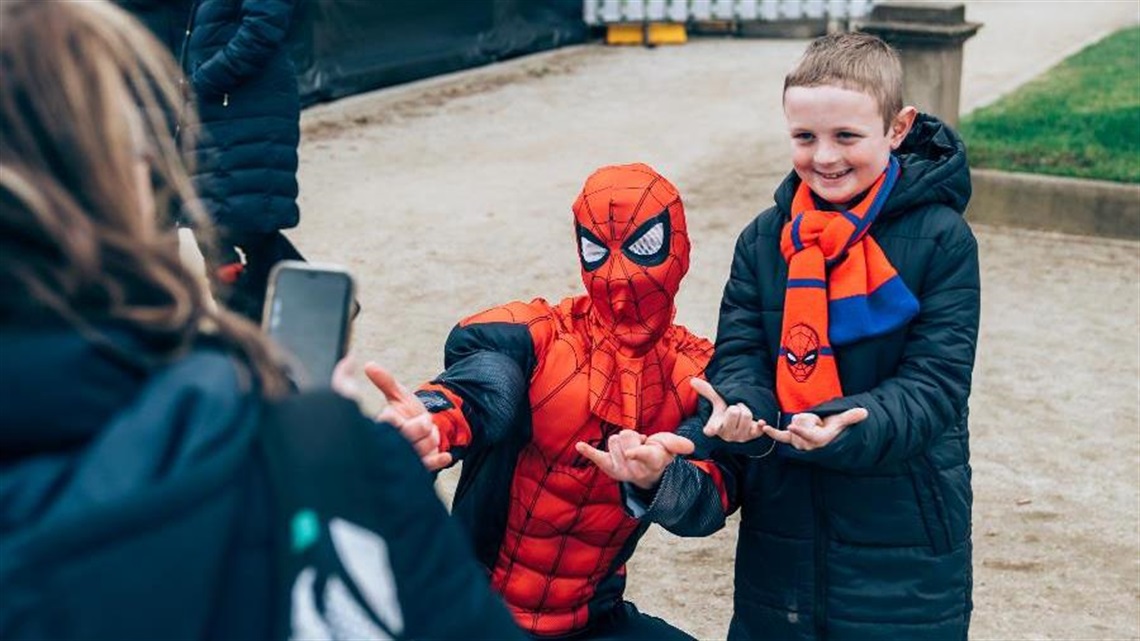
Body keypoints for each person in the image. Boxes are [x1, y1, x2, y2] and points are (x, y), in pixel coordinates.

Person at [0, 3, 523, 640]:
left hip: (240, 119)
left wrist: (208, 77)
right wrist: (328, 448)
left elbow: (261, 27)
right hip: (227, 124)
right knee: (232, 239)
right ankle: (276, 324)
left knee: (238, 234)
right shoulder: (329, 458)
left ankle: (267, 319)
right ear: (122, 179)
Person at [676, 31, 980, 639]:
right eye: (804, 137)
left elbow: (935, 383)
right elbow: (741, 355)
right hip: (783, 532)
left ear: (897, 129)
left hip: (905, 537)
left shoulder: (943, 238)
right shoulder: (763, 241)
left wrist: (846, 419)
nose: (824, 156)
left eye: (847, 136)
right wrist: (742, 406)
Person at [365, 163, 734, 640]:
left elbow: (710, 502)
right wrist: (431, 422)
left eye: (643, 247)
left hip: (593, 617)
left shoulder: (699, 376)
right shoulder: (538, 338)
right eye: (598, 250)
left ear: (678, 248)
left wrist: (659, 479)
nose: (619, 275)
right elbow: (479, 390)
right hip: (470, 612)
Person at [181, 0, 304, 320]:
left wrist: (202, 81)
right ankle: (321, 304)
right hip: (221, 106)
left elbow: (262, 28)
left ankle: (307, 312)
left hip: (245, 103)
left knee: (241, 219)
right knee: (231, 218)